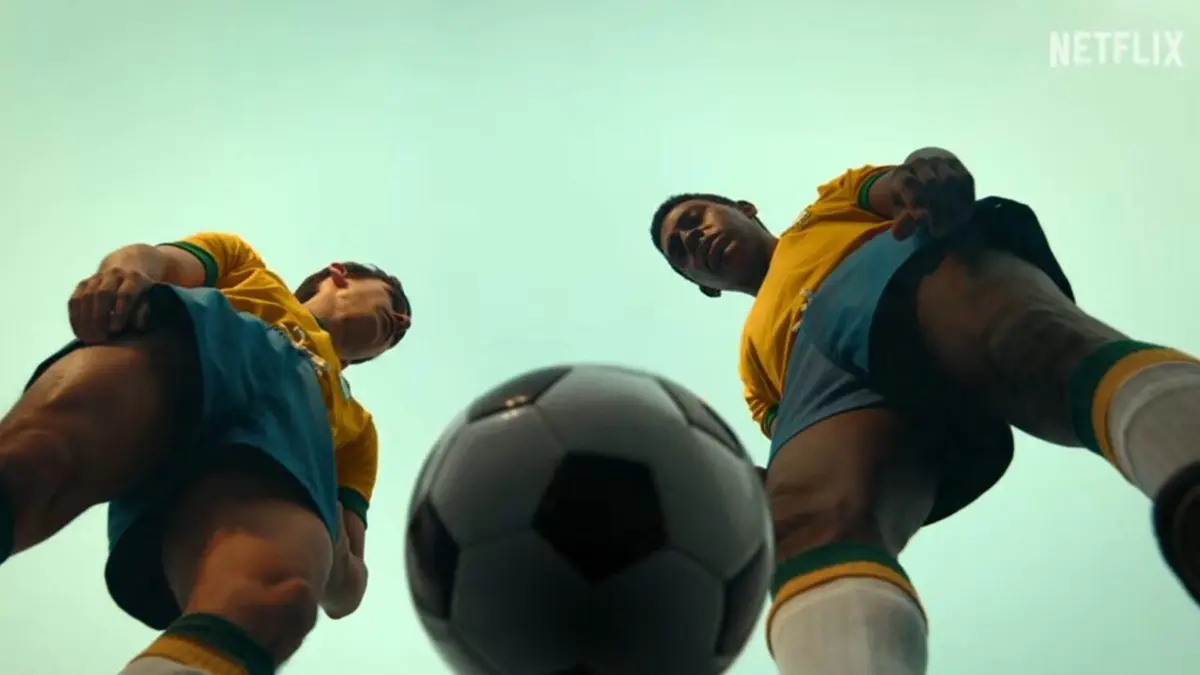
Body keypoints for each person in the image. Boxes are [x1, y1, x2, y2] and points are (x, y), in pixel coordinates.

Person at [649, 150, 1200, 675]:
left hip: (886, 269)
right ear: (703, 287)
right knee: (803, 526)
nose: (692, 239)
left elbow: (904, 183)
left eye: (695, 220)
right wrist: (757, 486)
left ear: (744, 209)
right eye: (680, 251)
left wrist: (926, 174)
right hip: (814, 381)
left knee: (1035, 346)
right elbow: (788, 439)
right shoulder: (752, 366)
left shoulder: (829, 205)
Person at [0, 233, 411, 675]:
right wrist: (123, 274)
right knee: (30, 463)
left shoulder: (356, 430)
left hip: (279, 451)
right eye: (393, 301)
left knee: (275, 597)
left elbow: (347, 589)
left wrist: (328, 530)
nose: (402, 321)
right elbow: (151, 259)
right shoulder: (246, 267)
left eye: (401, 333)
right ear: (339, 274)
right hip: (191, 353)